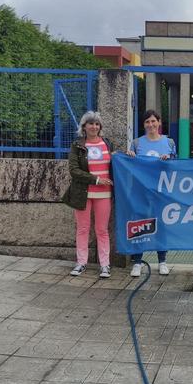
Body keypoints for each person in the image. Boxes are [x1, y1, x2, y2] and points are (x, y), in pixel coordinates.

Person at [62, 111, 114, 279]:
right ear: (84, 127)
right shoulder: (77, 145)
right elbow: (74, 170)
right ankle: (81, 262)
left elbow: (114, 163)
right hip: (82, 193)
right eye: (91, 123)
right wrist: (96, 180)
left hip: (104, 194)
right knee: (83, 229)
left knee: (102, 230)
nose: (94, 126)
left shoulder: (107, 143)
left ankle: (105, 265)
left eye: (97, 124)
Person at [127, 109, 176, 276]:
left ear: (159, 122)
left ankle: (162, 260)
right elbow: (130, 166)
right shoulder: (136, 143)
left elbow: (176, 166)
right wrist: (130, 157)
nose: (151, 125)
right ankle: (137, 262)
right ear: (143, 125)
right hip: (140, 191)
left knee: (161, 225)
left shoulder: (169, 143)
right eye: (147, 122)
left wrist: (168, 160)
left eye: (154, 121)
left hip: (161, 191)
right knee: (139, 224)